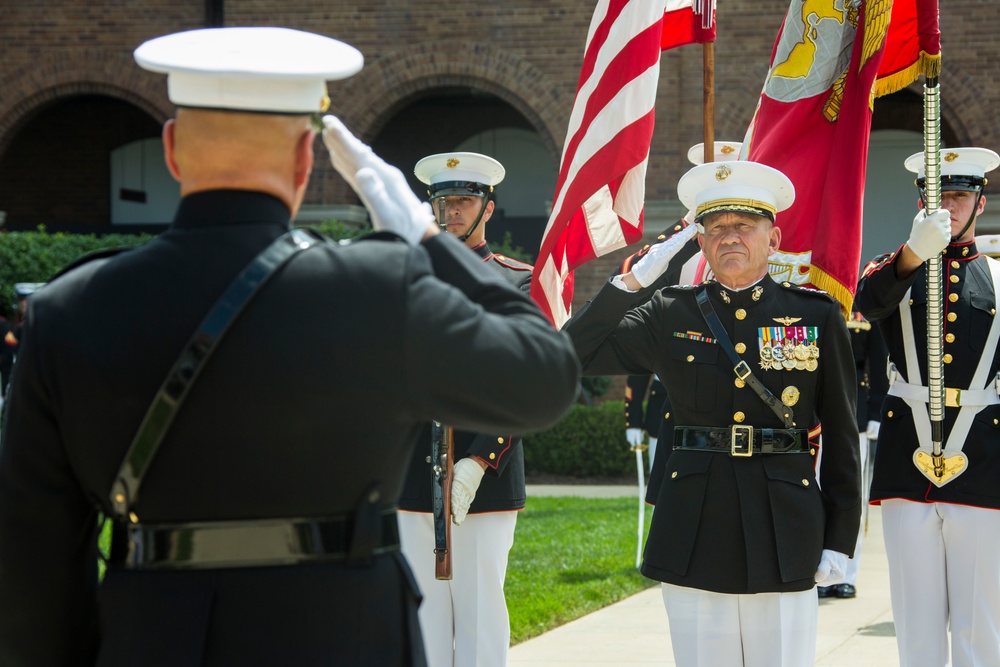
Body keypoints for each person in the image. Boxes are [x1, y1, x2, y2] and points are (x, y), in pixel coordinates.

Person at [0, 27, 581, 667]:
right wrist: (430, 246)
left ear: (170, 150)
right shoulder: (378, 290)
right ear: (307, 160)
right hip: (345, 639)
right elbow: (545, 378)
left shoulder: (69, 312)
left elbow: (31, 575)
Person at [564, 159, 861, 667]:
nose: (730, 238)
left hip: (785, 523)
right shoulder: (670, 312)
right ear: (699, 243)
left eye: (744, 226)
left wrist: (840, 538)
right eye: (716, 228)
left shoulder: (815, 315)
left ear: (774, 238)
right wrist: (632, 285)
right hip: (694, 520)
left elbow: (841, 433)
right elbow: (569, 354)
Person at [855, 147, 1000, 667]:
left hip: (984, 460)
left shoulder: (999, 277)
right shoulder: (897, 266)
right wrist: (913, 254)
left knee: (980, 624)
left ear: (980, 203)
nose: (950, 206)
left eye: (960, 195)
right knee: (914, 620)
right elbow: (866, 304)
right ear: (922, 200)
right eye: (939, 195)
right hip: (906, 457)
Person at [397, 152, 531, 667]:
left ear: (487, 209)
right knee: (424, 612)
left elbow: (522, 382)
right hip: (411, 471)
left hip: (486, 472)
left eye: (464, 201)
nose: (452, 211)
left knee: (478, 614)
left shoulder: (517, 282)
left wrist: (478, 460)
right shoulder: (406, 276)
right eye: (443, 200)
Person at [817, 309, 888, 599]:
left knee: (851, 492)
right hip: (809, 406)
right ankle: (819, 569)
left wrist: (877, 410)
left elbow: (878, 356)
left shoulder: (862, 304)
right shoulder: (808, 296)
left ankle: (847, 573)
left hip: (854, 405)